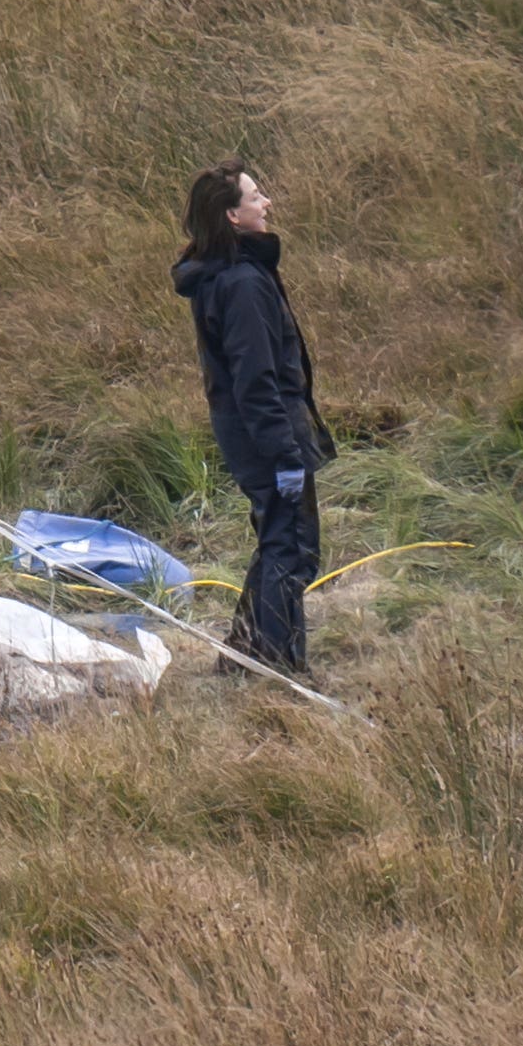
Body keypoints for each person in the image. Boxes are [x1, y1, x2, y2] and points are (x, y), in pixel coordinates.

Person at [173, 158, 333, 680]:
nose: (266, 203)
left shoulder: (232, 274)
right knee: (291, 550)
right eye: (256, 196)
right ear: (232, 217)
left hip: (256, 434)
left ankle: (246, 656)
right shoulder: (241, 283)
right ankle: (275, 670)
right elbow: (256, 381)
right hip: (266, 436)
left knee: (279, 544)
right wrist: (286, 455)